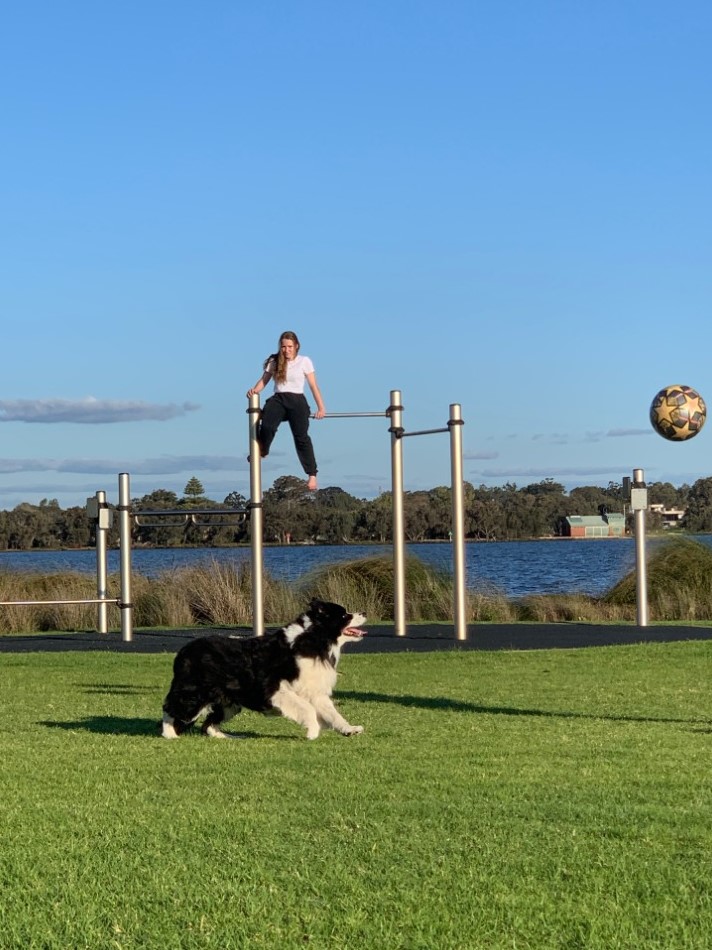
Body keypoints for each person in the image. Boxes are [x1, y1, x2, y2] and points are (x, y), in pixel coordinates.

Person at [246, 331, 325, 490]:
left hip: (297, 401)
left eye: (289, 346)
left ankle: (312, 475)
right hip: (279, 399)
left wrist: (321, 407)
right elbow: (264, 380)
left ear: (296, 346)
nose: (286, 350)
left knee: (301, 437)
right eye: (283, 346)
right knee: (267, 425)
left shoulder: (304, 361)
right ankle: (263, 451)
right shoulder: (274, 361)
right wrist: (255, 391)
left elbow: (313, 385)